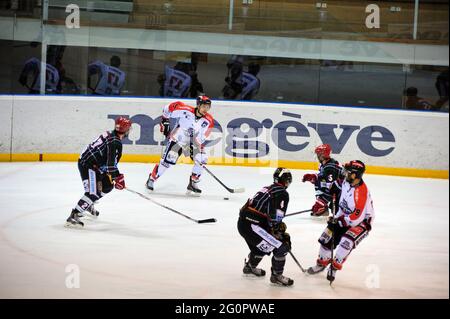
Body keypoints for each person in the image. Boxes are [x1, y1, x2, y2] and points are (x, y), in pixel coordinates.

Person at [307, 160, 375, 283]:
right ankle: (322, 263)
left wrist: (339, 222)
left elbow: (355, 218)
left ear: (355, 175)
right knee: (326, 238)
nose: (344, 173)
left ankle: (334, 267)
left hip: (361, 221)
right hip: (345, 215)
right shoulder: (346, 181)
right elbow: (341, 203)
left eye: (347, 172)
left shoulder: (361, 194)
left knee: (346, 242)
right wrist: (335, 216)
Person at [65, 117, 132, 228]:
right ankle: (74, 214)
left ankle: (88, 204)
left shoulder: (109, 134)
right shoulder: (115, 142)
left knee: (107, 186)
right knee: (93, 192)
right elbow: (111, 165)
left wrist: (116, 177)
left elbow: (107, 162)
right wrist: (118, 177)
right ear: (125, 130)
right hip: (88, 165)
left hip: (94, 165)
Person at [145, 95, 214, 195]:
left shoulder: (208, 121)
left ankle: (193, 182)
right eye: (204, 106)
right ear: (198, 105)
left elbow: (204, 136)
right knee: (168, 160)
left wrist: (195, 144)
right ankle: (152, 178)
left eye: (208, 107)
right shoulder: (185, 110)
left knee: (202, 158)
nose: (206, 109)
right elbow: (168, 108)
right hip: (178, 139)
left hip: (193, 142)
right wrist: (165, 120)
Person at [237, 167, 294, 286]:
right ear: (285, 180)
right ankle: (277, 276)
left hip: (244, 224)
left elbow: (264, 210)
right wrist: (277, 228)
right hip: (253, 225)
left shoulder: (268, 188)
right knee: (283, 246)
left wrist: (273, 227)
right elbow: (275, 217)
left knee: (262, 245)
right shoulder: (282, 192)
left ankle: (250, 267)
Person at [302, 144, 343, 217]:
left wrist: (322, 202)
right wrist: (312, 177)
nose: (317, 156)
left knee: (338, 215)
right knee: (319, 183)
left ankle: (323, 206)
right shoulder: (325, 164)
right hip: (340, 190)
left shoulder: (330, 168)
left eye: (318, 154)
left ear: (323, 155)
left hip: (343, 194)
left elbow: (331, 188)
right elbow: (323, 178)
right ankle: (323, 206)